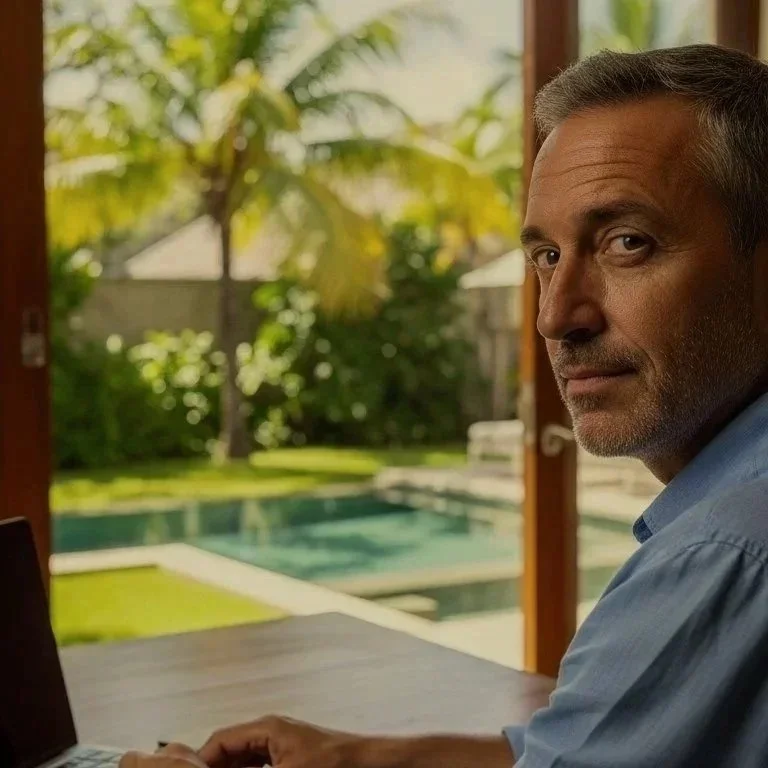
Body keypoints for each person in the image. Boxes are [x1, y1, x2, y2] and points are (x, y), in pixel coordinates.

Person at [120, 43, 768, 768]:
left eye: (627, 243)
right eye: (546, 256)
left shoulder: (727, 553)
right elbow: (566, 755)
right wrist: (358, 760)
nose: (556, 316)